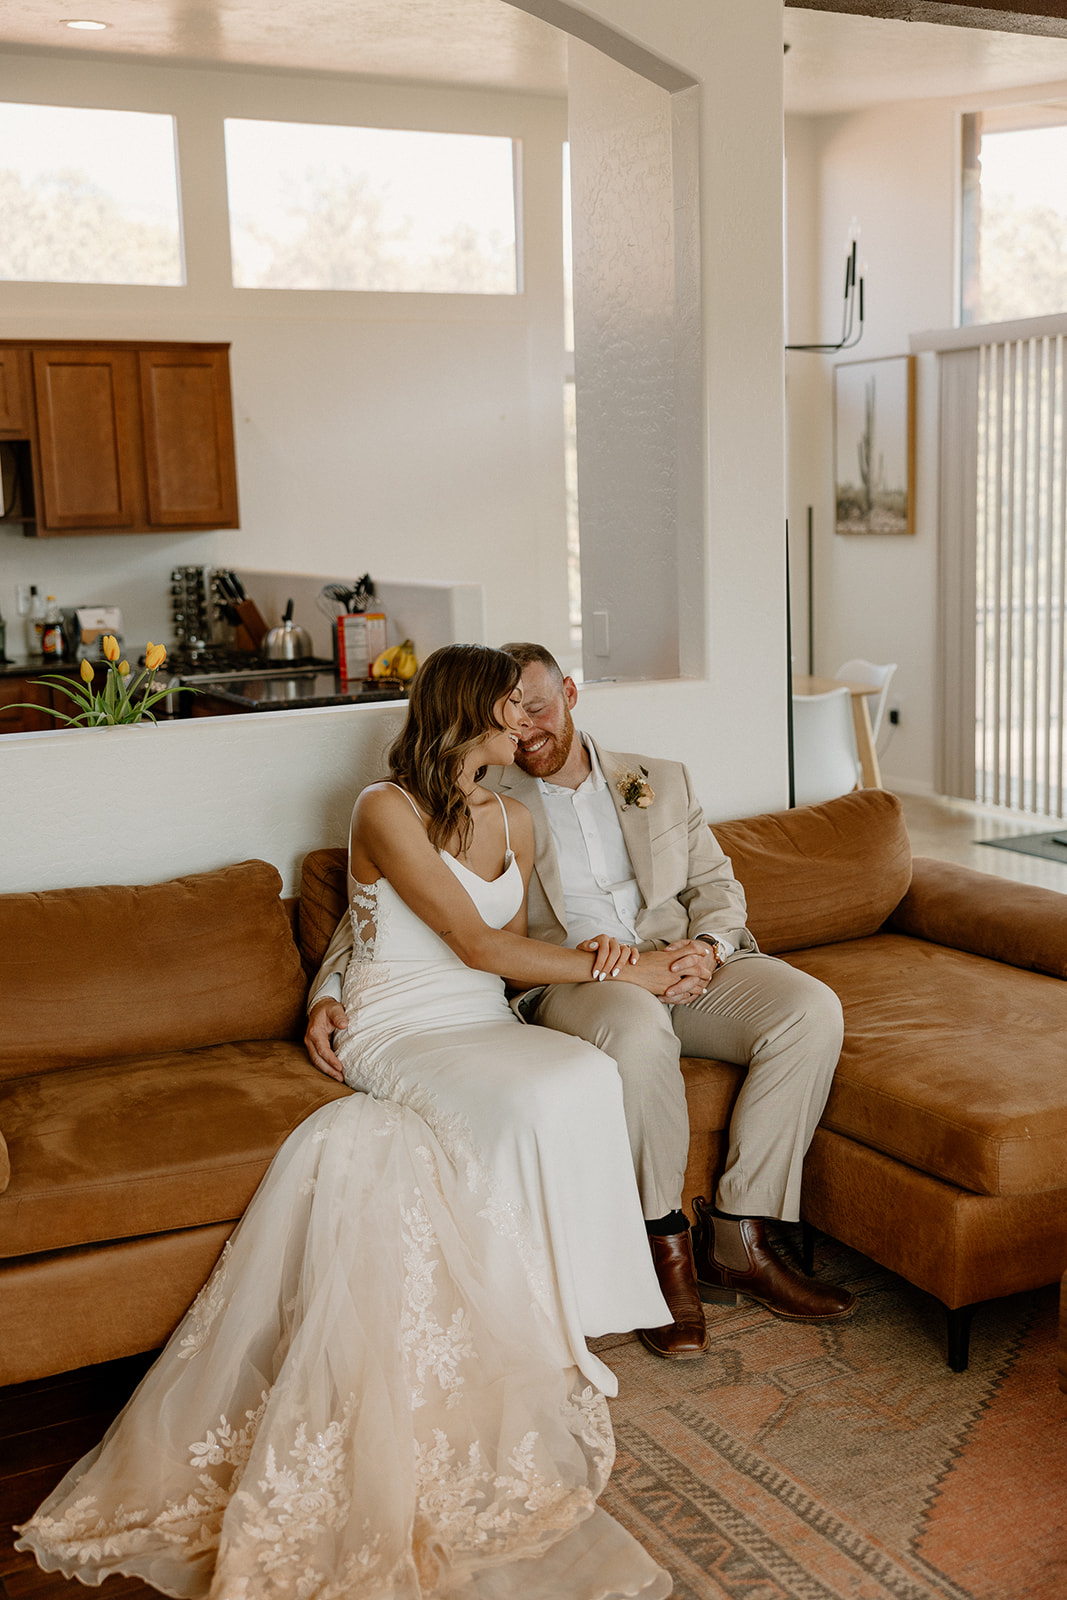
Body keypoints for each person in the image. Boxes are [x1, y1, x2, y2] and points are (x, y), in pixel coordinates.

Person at [15, 645, 675, 1600]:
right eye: (511, 707)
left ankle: (567, 1326)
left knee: (579, 1073)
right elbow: (464, 939)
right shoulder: (383, 808)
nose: (528, 722)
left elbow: (519, 949)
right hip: (399, 1023)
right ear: (468, 711)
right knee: (530, 1096)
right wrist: (627, 973)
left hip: (477, 1015)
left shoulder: (517, 819)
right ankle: (516, 1337)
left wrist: (601, 950)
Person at [306, 643, 855, 1364]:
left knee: (809, 1010)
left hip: (679, 962)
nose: (525, 727)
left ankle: (741, 1236)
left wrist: (708, 950)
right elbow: (387, 911)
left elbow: (717, 889)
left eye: (534, 707)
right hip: (575, 983)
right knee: (634, 1030)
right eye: (510, 713)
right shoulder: (484, 791)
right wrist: (328, 987)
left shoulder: (656, 779)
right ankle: (665, 1250)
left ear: (567, 693)